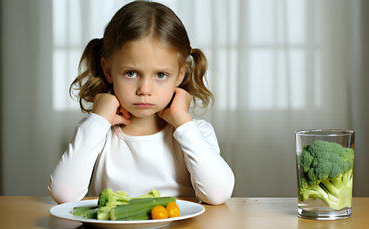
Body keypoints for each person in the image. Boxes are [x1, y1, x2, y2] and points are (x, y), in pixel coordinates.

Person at [48, 1, 234, 205]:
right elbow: (64, 194)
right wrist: (98, 120)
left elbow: (218, 195)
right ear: (108, 70)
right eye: (131, 73)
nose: (144, 89)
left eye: (161, 75)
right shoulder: (98, 132)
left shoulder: (196, 132)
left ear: (180, 74)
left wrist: (183, 123)